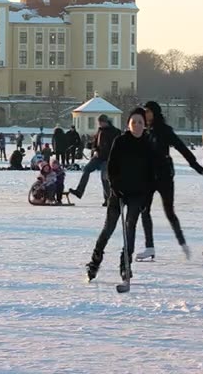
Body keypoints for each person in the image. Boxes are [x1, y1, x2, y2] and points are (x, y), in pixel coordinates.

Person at [85, 108, 156, 285]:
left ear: (144, 125)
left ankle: (126, 264)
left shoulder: (148, 144)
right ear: (128, 124)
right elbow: (111, 167)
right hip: (118, 193)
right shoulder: (121, 141)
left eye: (140, 122)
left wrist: (147, 197)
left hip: (137, 195)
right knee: (108, 228)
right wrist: (115, 188)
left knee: (130, 228)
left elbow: (152, 173)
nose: (137, 125)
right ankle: (95, 261)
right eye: (134, 122)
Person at [137, 101, 203, 261]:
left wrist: (195, 165)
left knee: (169, 211)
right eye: (144, 111)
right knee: (144, 210)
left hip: (164, 176)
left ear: (155, 113)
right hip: (148, 177)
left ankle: (182, 243)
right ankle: (149, 247)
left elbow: (181, 147)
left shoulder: (164, 131)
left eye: (148, 111)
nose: (145, 114)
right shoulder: (145, 131)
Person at [69, 115, 121, 205]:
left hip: (108, 159)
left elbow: (117, 146)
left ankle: (108, 199)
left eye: (101, 122)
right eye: (99, 122)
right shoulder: (100, 131)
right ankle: (79, 191)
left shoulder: (115, 132)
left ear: (106, 122)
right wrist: (95, 149)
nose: (100, 124)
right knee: (86, 169)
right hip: (98, 157)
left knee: (104, 178)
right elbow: (95, 143)